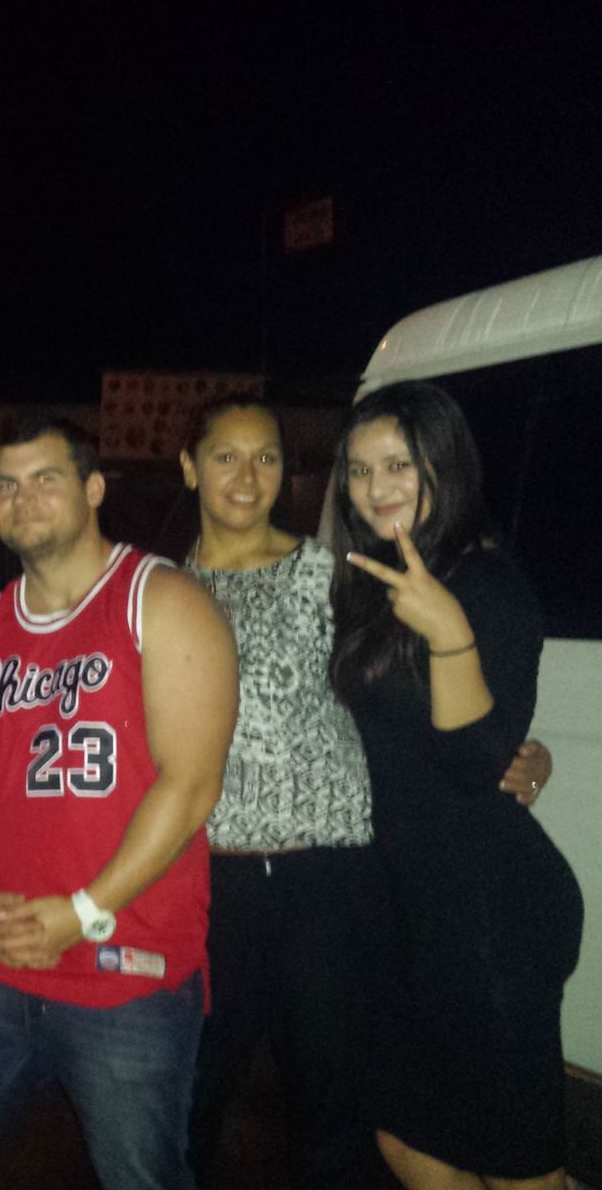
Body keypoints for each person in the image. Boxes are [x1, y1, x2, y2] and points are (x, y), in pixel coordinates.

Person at [177, 397, 553, 1188]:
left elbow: (431, 702)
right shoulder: (160, 592)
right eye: (225, 456)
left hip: (344, 878)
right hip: (218, 880)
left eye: (267, 457)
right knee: (191, 1092)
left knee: (344, 1111)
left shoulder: (343, 576)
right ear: (189, 468)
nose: (247, 476)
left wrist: (514, 751)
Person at [0, 413, 239, 1190]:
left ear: (94, 488)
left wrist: (82, 911)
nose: (23, 498)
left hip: (125, 960)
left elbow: (190, 786)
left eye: (46, 479)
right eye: (7, 484)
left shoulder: (163, 601)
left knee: (141, 1177)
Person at [331, 382, 583, 1190]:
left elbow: (477, 764)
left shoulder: (486, 587)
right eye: (360, 469)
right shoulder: (375, 582)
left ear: (446, 462)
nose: (377, 487)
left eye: (399, 464)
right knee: (410, 1141)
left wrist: (448, 634)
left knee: (519, 1168)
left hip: (488, 921)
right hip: (415, 918)